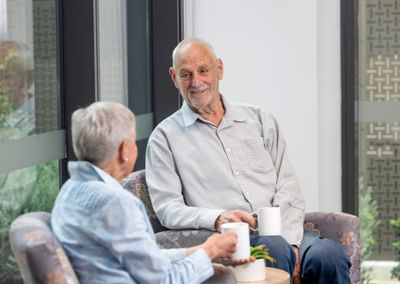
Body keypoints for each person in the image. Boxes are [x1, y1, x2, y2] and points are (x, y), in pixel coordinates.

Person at [145, 38, 351, 283]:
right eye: (186, 74)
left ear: (219, 69)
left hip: (284, 232)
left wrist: (292, 241)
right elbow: (168, 209)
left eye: (203, 70)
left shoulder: (260, 120)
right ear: (173, 77)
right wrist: (216, 217)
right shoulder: (164, 137)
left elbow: (288, 186)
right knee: (274, 249)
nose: (196, 82)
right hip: (232, 241)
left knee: (329, 255)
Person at [51, 101, 252, 284]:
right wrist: (210, 250)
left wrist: (201, 251)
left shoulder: (69, 191)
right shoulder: (116, 203)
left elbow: (145, 259)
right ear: (124, 150)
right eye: (133, 140)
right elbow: (165, 280)